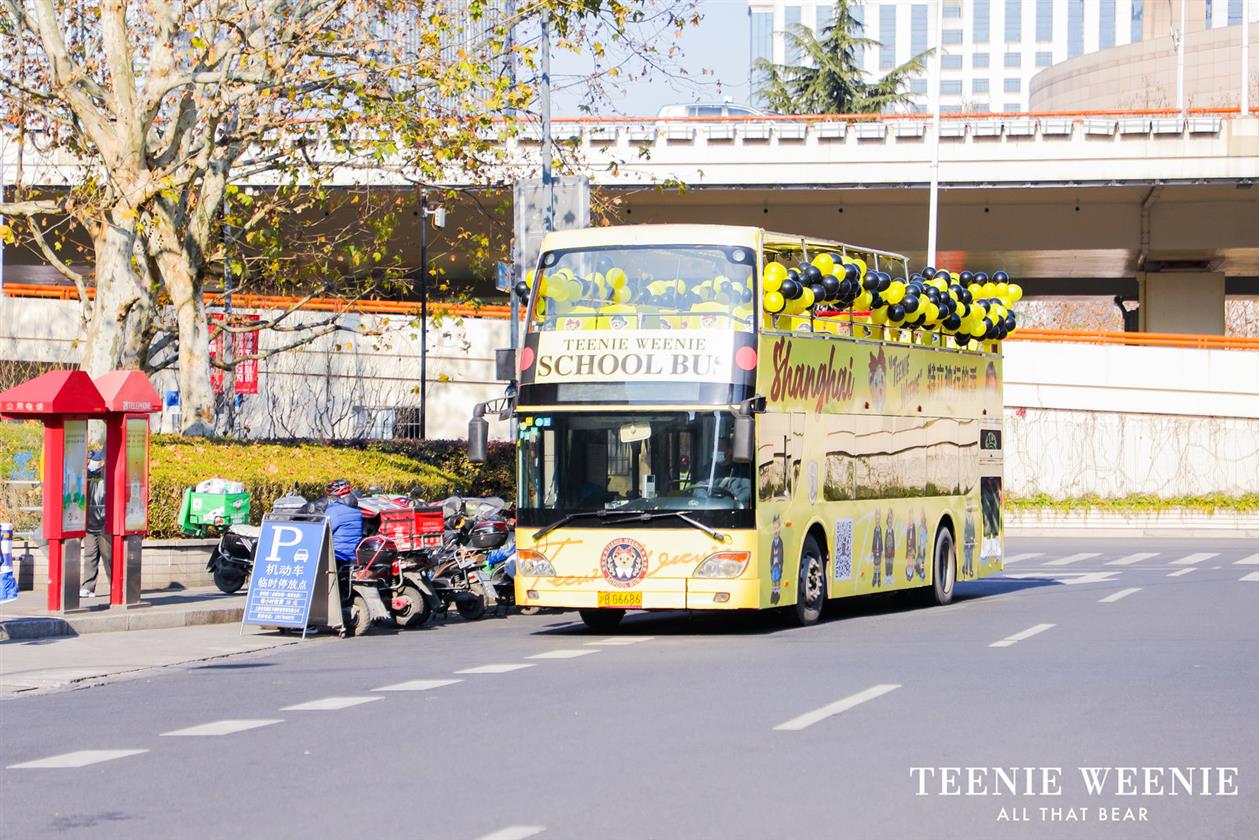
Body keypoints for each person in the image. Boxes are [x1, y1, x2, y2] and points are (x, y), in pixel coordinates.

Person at [80, 449, 112, 598]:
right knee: (90, 555)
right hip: (90, 523)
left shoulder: (108, 474)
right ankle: (88, 586)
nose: (93, 464)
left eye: (96, 460)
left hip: (105, 523)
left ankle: (115, 585)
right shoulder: (87, 475)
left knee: (108, 556)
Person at [321, 479, 362, 566]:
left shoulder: (333, 510)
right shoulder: (357, 510)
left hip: (337, 557)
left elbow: (322, 532)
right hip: (354, 557)